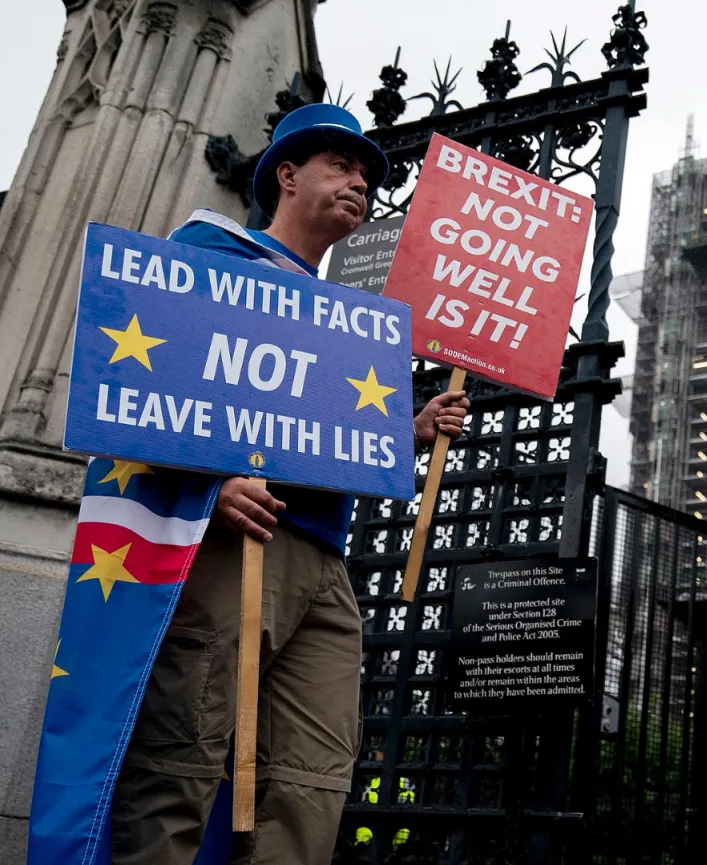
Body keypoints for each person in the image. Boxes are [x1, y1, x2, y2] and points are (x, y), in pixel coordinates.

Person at [107, 103, 466, 864]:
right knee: (186, 753)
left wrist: (413, 429)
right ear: (287, 174)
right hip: (234, 543)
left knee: (311, 780)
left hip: (322, 563)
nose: (360, 182)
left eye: (368, 175)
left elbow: (324, 439)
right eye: (342, 165)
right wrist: (210, 482)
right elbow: (132, 389)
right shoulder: (207, 255)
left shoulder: (347, 318)